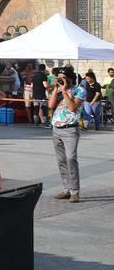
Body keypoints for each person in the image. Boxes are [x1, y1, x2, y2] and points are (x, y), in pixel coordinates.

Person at [50, 67, 85, 203]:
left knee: (71, 159)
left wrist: (64, 92)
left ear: (70, 78)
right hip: (56, 128)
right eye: (59, 77)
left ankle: (75, 191)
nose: (61, 80)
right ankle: (66, 189)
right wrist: (55, 89)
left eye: (63, 77)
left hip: (70, 129)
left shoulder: (79, 90)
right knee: (61, 161)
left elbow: (72, 108)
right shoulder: (57, 89)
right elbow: (51, 105)